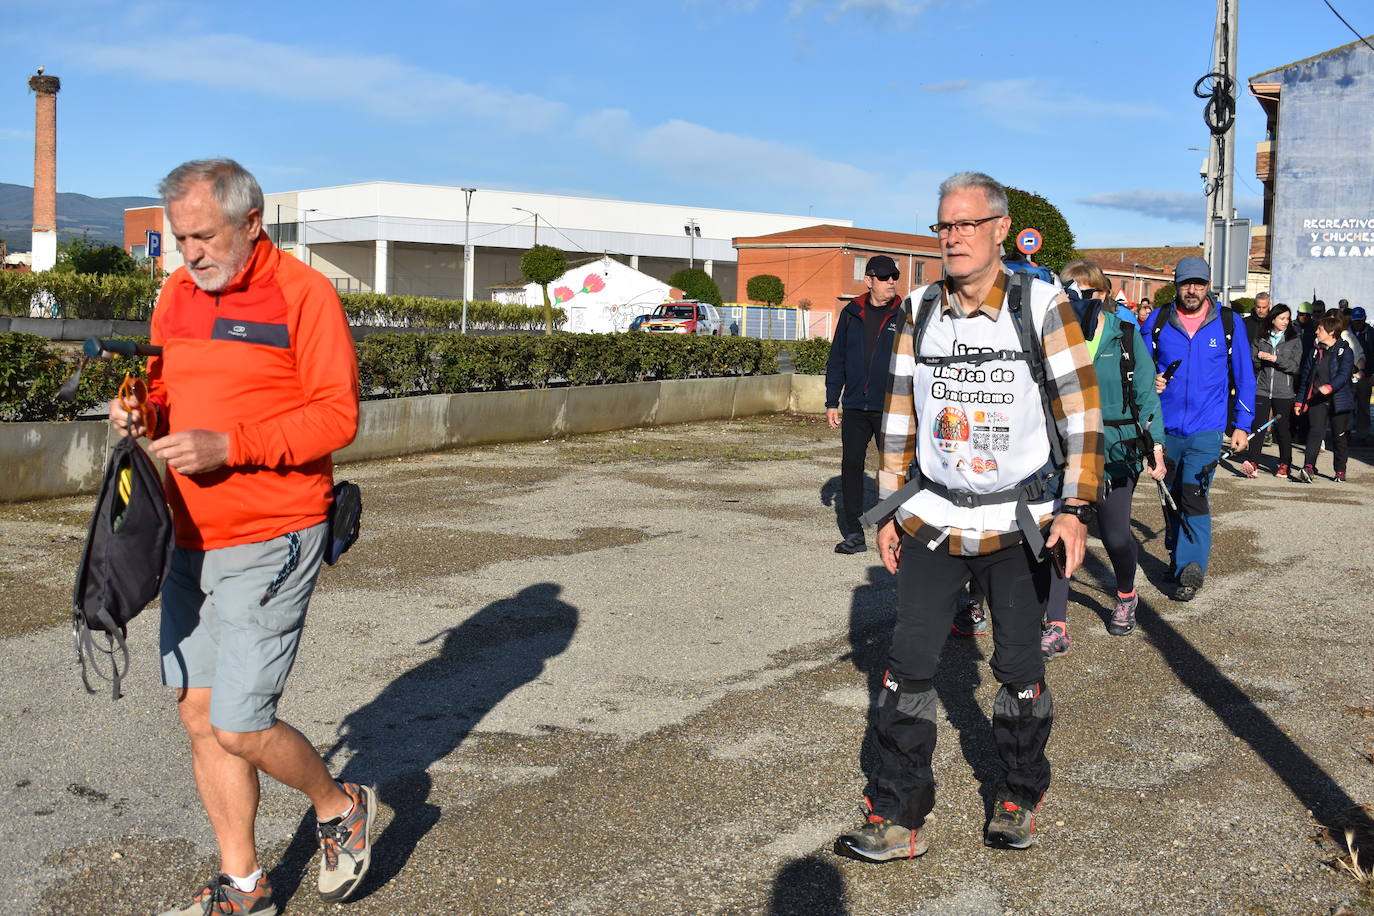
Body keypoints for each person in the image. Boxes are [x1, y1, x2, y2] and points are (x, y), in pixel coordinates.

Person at [108, 159, 374, 916]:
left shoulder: (304, 293)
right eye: (178, 237)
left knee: (239, 722)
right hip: (185, 536)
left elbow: (336, 417)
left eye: (202, 235)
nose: (189, 253)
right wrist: (133, 412)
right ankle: (246, 887)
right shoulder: (175, 292)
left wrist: (231, 444)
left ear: (251, 224)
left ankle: (337, 804)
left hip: (273, 532)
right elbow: (158, 387)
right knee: (199, 717)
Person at [835, 172, 1102, 861]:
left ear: (999, 231)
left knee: (1017, 665)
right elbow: (898, 413)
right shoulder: (919, 308)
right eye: (943, 226)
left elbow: (1081, 415)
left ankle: (1017, 792)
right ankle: (897, 814)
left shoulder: (1043, 305)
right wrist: (888, 508)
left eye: (965, 224)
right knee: (907, 664)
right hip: (932, 517)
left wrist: (1074, 509)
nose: (952, 237)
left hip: (1020, 521)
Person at [1040, 261, 1165, 658]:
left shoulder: (1125, 336)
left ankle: (1126, 594)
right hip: (1066, 449)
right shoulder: (1054, 337)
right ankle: (1055, 623)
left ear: (1104, 295)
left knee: (1114, 536)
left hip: (1116, 448)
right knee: (1062, 528)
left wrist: (1155, 447)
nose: (1082, 302)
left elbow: (1146, 393)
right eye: (1072, 294)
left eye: (1089, 294)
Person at [1142, 257, 1255, 602]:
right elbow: (1140, 372)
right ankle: (1177, 556)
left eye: (1200, 284)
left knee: (1193, 494)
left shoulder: (1228, 323)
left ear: (1209, 286)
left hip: (1207, 429)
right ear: (1176, 284)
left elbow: (1245, 377)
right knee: (1171, 496)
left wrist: (1243, 425)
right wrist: (1153, 382)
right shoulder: (1159, 322)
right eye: (1187, 283)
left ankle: (1191, 569)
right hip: (1164, 429)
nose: (1193, 290)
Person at [825, 255, 903, 554]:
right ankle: (855, 532)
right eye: (884, 277)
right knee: (851, 466)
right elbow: (838, 359)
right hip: (856, 406)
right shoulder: (851, 313)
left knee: (894, 469)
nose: (891, 282)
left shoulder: (905, 314)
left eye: (894, 276)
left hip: (892, 408)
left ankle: (897, 530)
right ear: (869, 280)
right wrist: (833, 400)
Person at [1241, 305, 1301, 479]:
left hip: (1284, 391)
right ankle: (1253, 462)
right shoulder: (1261, 337)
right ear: (1273, 319)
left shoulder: (1294, 338)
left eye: (1287, 319)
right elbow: (1253, 360)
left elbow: (1295, 367)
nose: (1285, 322)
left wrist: (1276, 359)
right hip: (1262, 388)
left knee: (1283, 429)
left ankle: (1284, 464)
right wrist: (1259, 358)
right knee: (1258, 426)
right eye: (1282, 318)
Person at [1295, 312, 1356, 482]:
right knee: (1315, 432)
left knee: (1339, 437)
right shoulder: (1315, 352)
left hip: (1339, 401)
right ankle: (1308, 467)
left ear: (1331, 332)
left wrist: (1330, 387)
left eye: (1319, 329)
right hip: (1317, 400)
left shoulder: (1345, 351)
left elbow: (1344, 375)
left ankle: (1340, 470)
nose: (1316, 332)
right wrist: (1300, 400)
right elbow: (1306, 379)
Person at [1350, 307, 1374, 443]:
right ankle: (1346, 432)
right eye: (1355, 321)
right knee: (1348, 404)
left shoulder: (1371, 333)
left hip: (1366, 375)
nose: (1357, 323)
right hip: (1350, 374)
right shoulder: (1347, 333)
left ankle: (1362, 434)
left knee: (1363, 407)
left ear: (1364, 319)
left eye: (1360, 320)